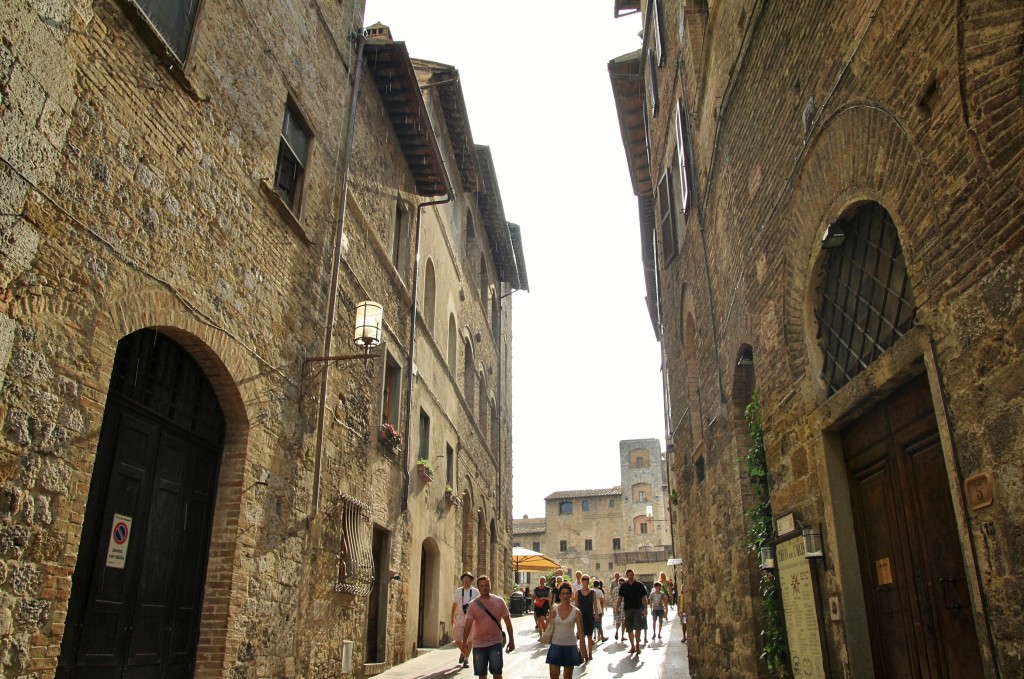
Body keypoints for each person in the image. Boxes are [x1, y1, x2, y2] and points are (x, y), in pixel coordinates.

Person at [462, 575, 515, 679]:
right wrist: (464, 642)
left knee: (497, 673)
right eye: (482, 586)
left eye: (487, 585)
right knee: (482, 675)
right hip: (478, 644)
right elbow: (468, 625)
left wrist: (512, 640)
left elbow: (508, 622)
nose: (485, 588)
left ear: (490, 586)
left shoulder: (499, 601)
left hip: (495, 642)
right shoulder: (473, 605)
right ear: (478, 588)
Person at [544, 583, 584, 679]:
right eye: (563, 594)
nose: (565, 596)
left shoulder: (576, 611)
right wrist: (551, 617)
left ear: (571, 595)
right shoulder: (554, 608)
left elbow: (581, 633)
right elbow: (546, 626)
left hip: (570, 646)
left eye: (567, 593)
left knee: (567, 676)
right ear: (559, 596)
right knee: (553, 675)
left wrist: (584, 652)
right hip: (556, 645)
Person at [617, 569, 648, 655]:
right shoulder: (624, 586)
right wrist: (617, 607)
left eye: (631, 575)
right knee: (629, 629)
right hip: (627, 609)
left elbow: (644, 598)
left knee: (638, 628)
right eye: (629, 575)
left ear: (633, 575)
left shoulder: (639, 585)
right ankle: (632, 646)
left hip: (637, 609)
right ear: (626, 576)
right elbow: (620, 597)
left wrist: (645, 608)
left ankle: (637, 646)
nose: (630, 576)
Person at [451, 572, 479, 668]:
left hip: (472, 619)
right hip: (460, 618)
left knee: (470, 640)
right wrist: (452, 617)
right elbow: (454, 604)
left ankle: (466, 658)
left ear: (471, 581)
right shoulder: (458, 591)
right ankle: (464, 652)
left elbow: (479, 606)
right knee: (458, 639)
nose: (466, 582)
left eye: (468, 580)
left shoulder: (475, 592)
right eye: (464, 580)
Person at [575, 575, 598, 660]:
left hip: (589, 616)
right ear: (581, 581)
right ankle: (583, 654)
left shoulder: (593, 592)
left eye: (587, 580)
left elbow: (595, 604)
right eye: (584, 580)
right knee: (581, 636)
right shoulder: (578, 592)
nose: (585, 581)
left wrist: (596, 614)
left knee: (589, 636)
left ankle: (590, 654)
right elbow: (576, 604)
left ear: (589, 581)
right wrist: (575, 616)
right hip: (580, 616)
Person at [611, 576, 625, 641]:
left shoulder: (614, 589)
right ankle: (622, 636)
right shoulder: (625, 589)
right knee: (624, 622)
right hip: (623, 607)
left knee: (618, 621)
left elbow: (613, 599)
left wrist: (614, 608)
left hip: (616, 608)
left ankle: (617, 631)